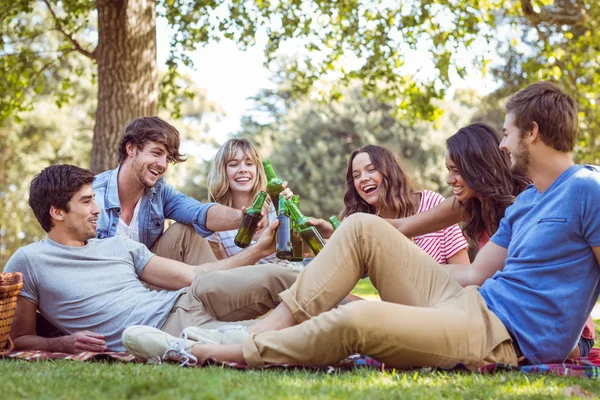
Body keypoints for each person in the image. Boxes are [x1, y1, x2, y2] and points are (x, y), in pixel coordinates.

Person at [122, 81, 600, 369]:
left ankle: (210, 353)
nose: (502, 144)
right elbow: (476, 274)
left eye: (508, 132)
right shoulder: (528, 203)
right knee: (359, 228)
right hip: (470, 302)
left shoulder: (587, 190)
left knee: (358, 318)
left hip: (504, 337)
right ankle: (264, 327)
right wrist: (374, 263)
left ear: (531, 132)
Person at [5, 164, 298, 353]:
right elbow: (17, 339)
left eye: (94, 199)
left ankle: (346, 310)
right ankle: (339, 329)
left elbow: (193, 275)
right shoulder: (29, 261)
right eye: (86, 202)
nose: (97, 209)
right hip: (158, 333)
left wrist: (258, 251)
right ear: (57, 212)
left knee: (277, 276)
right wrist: (64, 343)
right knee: (262, 338)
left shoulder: (117, 245)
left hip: (188, 298)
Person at [388, 123, 595, 358]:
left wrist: (411, 270)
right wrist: (352, 229)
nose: (449, 179)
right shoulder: (469, 203)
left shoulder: (523, 204)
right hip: (499, 315)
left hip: (563, 333)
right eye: (448, 169)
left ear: (478, 168)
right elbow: (402, 226)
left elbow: (480, 276)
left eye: (456, 170)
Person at [93, 117, 270, 266]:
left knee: (187, 229)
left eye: (167, 158)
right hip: (105, 285)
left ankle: (217, 296)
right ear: (131, 149)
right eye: (156, 153)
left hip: (146, 279)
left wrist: (245, 219)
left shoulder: (160, 191)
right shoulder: (92, 195)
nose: (163, 165)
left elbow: (199, 212)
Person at [308, 144, 469, 264]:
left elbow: (463, 268)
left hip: (443, 301)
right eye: (356, 176)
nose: (363, 178)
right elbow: (332, 264)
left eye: (371, 170)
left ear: (389, 172)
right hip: (395, 306)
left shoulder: (430, 202)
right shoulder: (364, 220)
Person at [206, 138, 292, 264]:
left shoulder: (277, 208)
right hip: (243, 282)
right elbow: (223, 272)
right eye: (234, 164)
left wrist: (291, 211)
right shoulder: (215, 223)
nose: (243, 169)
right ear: (222, 171)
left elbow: (299, 250)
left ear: (257, 170)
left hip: (286, 280)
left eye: (249, 163)